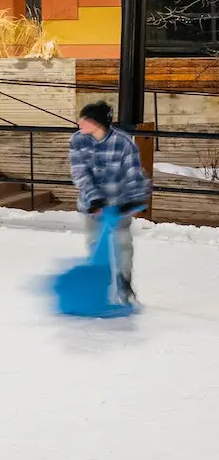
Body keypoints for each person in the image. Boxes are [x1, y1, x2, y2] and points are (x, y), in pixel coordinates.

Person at [68, 101, 150, 306]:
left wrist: (134, 199)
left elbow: (133, 173)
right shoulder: (77, 140)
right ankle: (100, 285)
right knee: (96, 245)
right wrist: (94, 198)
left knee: (123, 245)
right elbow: (80, 172)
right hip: (92, 206)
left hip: (118, 205)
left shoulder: (123, 143)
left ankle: (124, 285)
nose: (79, 123)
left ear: (97, 123)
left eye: (84, 120)